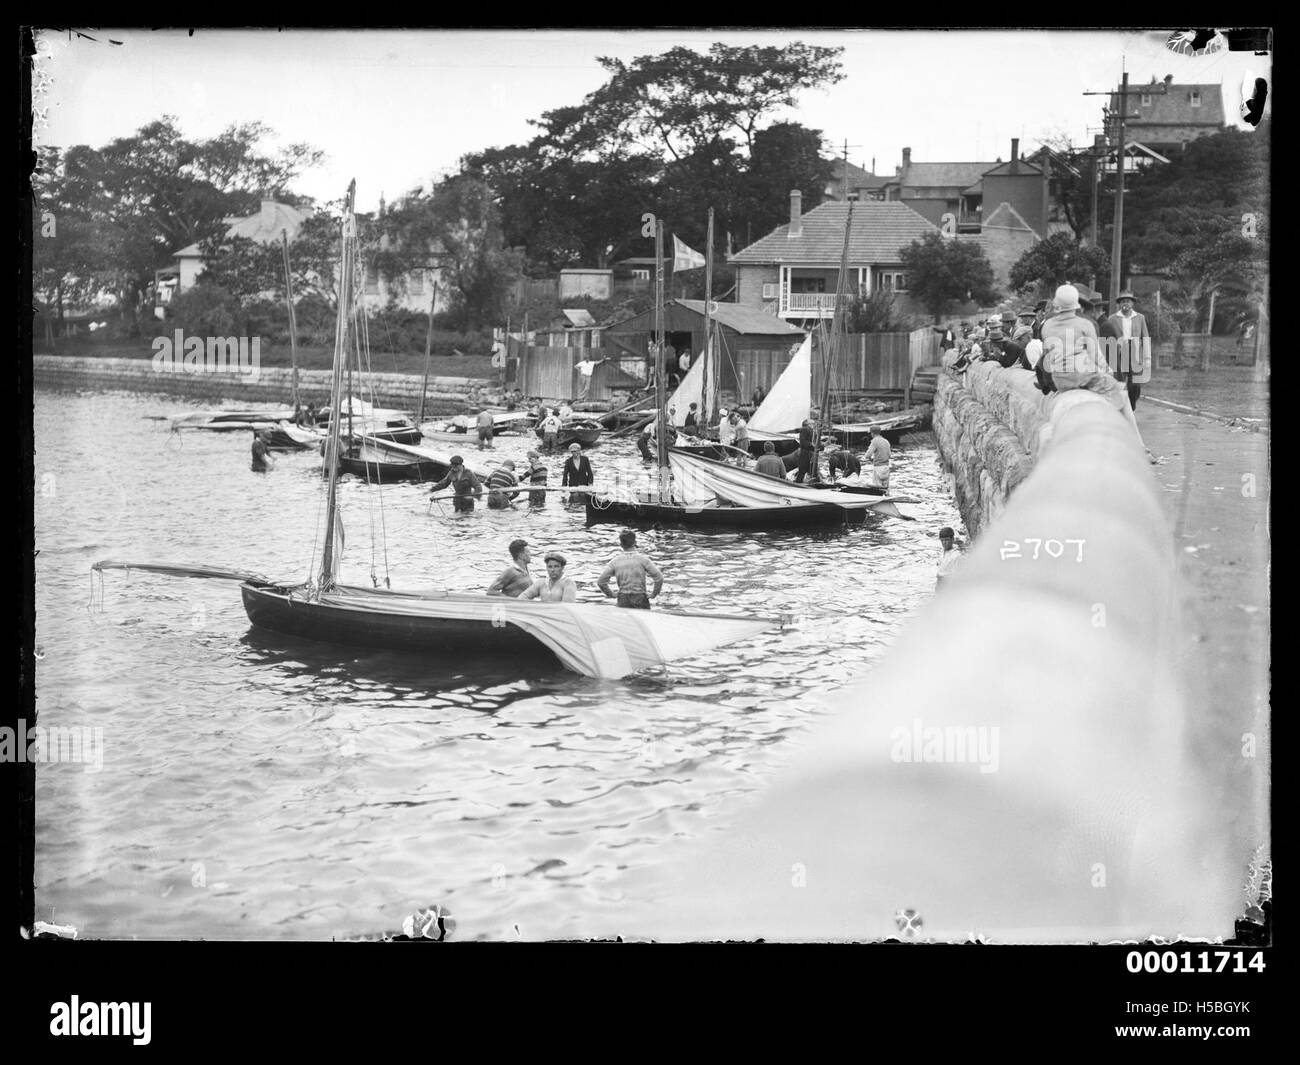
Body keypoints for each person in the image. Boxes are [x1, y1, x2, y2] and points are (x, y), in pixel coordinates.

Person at [597, 530, 664, 609]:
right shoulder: (643, 560)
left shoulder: (615, 561)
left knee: (625, 621)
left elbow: (601, 582)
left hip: (623, 598)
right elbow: (659, 578)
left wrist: (610, 594)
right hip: (640, 597)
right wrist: (654, 594)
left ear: (621, 544)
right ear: (635, 543)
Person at [1107, 291, 1148, 411]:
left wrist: (1146, 356)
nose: (1126, 303)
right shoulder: (1113, 318)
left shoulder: (1140, 317)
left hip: (1134, 350)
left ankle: (1132, 404)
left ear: (1132, 303)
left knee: (1135, 383)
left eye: (1128, 301)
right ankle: (1121, 407)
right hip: (1119, 350)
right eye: (1123, 301)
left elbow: (1145, 336)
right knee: (1119, 381)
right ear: (1119, 304)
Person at [864, 426, 891, 490]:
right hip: (886, 468)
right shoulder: (886, 441)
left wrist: (871, 459)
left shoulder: (874, 441)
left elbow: (867, 455)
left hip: (878, 468)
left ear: (872, 433)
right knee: (885, 489)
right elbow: (889, 455)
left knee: (877, 489)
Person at [795, 418, 816, 483]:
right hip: (805, 453)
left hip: (810, 453)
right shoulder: (805, 429)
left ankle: (801, 483)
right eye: (812, 423)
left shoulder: (812, 431)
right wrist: (812, 445)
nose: (814, 423)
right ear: (808, 423)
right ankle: (798, 484)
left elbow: (815, 444)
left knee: (809, 470)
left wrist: (822, 445)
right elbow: (803, 442)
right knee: (803, 471)